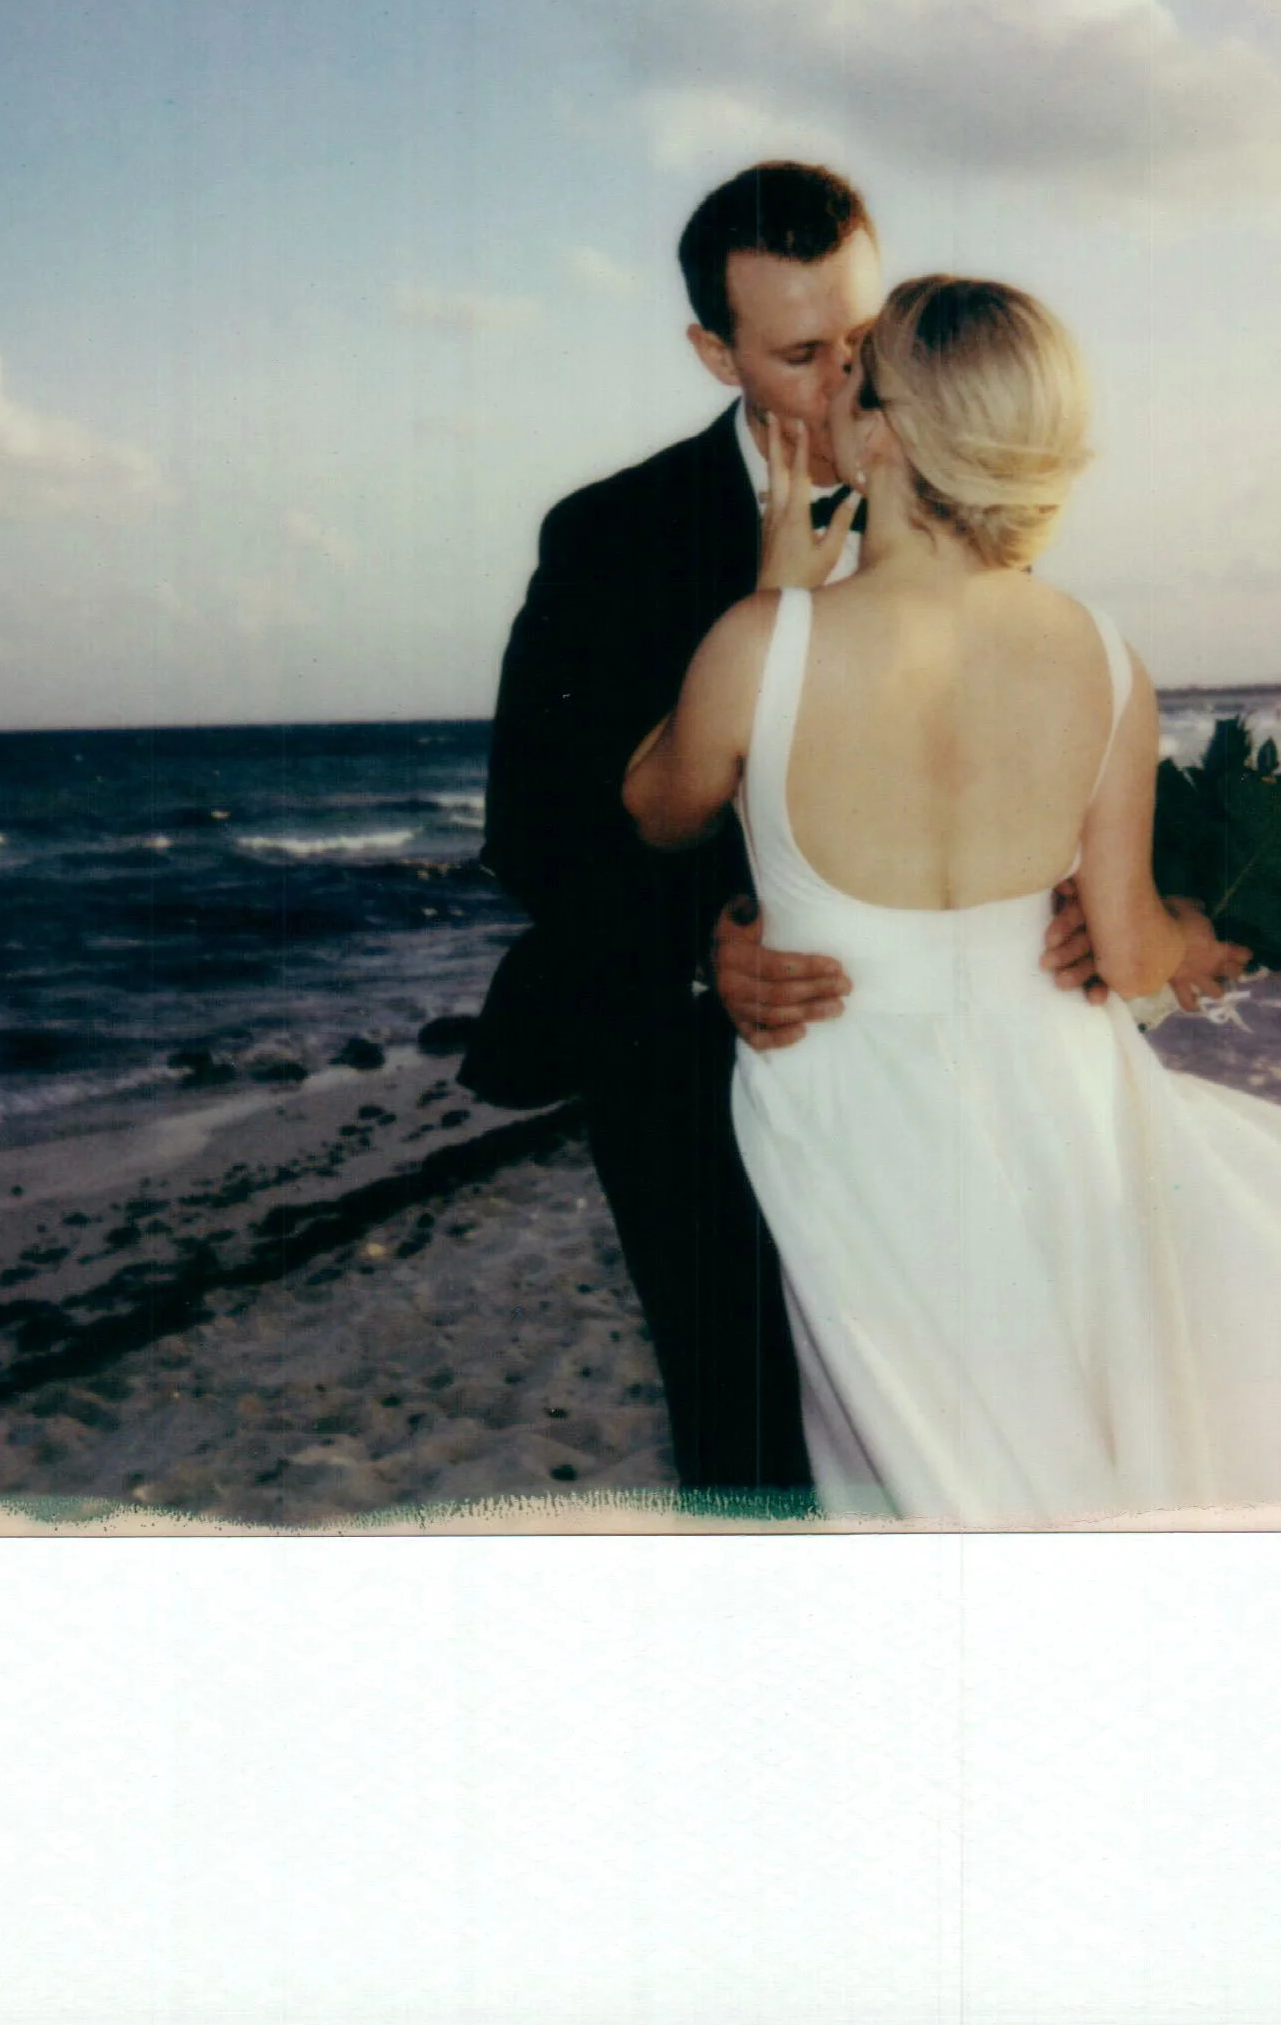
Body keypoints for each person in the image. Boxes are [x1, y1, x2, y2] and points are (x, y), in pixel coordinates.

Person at [623, 275, 1281, 1526]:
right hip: (1056, 1105)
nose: (828, 386)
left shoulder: (754, 642)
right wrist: (1222, 930)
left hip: (845, 1118)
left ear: (883, 434)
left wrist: (774, 590)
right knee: (1079, 1450)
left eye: (852, 373)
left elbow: (655, 807)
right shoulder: (1100, 655)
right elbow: (1135, 951)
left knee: (915, 1471)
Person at [461, 164, 1241, 1497]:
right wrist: (712, 950)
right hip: (691, 1075)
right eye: (799, 353)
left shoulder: (954, 503)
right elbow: (529, 833)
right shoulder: (610, 535)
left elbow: (995, 754)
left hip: (956, 1101)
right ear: (715, 352)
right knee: (755, 1456)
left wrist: (1051, 903)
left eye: (861, 346)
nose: (838, 388)